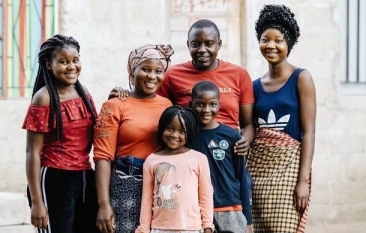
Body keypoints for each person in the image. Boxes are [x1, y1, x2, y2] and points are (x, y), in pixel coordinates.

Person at [110, 19, 255, 157]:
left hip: (226, 152)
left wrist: (244, 142)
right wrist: (125, 97)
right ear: (188, 45)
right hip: (187, 153)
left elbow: (248, 123)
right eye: (196, 44)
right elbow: (150, 102)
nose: (202, 49)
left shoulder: (239, 75)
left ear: (219, 44)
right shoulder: (172, 75)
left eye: (209, 43)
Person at [247, 5, 316, 233]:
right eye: (265, 39)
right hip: (258, 173)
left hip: (289, 172)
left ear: (289, 44)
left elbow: (309, 132)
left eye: (279, 40)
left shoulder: (301, 78)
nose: (271, 46)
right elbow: (250, 129)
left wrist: (303, 181)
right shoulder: (255, 86)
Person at [23, 34, 99, 233]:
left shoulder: (84, 94)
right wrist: (37, 202)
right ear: (49, 65)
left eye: (75, 60)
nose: (71, 66)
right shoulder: (43, 98)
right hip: (55, 179)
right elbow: (32, 152)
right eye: (63, 62)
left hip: (84, 177)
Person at [94, 44, 174, 233]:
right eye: (145, 69)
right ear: (132, 71)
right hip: (125, 187)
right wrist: (103, 204)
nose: (152, 76)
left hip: (160, 189)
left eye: (158, 71)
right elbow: (102, 157)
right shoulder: (114, 105)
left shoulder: (167, 105)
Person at [136, 106, 214, 233]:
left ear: (190, 133)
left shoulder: (199, 159)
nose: (174, 135)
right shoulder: (151, 160)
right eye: (170, 128)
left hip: (191, 228)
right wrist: (144, 227)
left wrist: (208, 225)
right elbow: (147, 198)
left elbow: (206, 195)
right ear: (162, 128)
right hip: (159, 228)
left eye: (181, 131)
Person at [189, 81, 252, 233]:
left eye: (212, 104)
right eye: (200, 104)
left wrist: (248, 220)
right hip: (198, 211)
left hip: (230, 209)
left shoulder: (231, 136)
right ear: (190, 104)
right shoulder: (187, 136)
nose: (206, 110)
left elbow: (241, 177)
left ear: (219, 105)